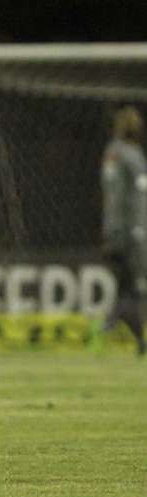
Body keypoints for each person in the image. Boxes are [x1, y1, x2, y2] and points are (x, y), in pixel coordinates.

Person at [100, 105, 147, 356]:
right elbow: (135, 200)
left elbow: (113, 195)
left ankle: (141, 342)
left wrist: (110, 229)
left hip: (113, 230)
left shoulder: (112, 153)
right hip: (132, 233)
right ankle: (109, 321)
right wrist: (138, 231)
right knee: (138, 289)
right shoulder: (132, 156)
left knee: (124, 288)